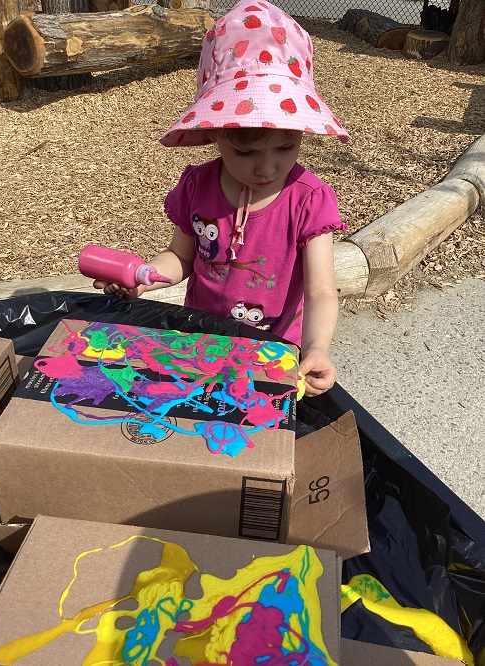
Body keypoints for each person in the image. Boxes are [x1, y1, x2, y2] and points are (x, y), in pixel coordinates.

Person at [93, 0, 350, 396]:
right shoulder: (198, 186)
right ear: (214, 133)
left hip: (273, 349)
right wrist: (144, 278)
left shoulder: (308, 200)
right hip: (201, 338)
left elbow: (319, 290)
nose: (267, 169)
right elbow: (181, 258)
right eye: (245, 153)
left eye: (286, 147)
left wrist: (317, 349)